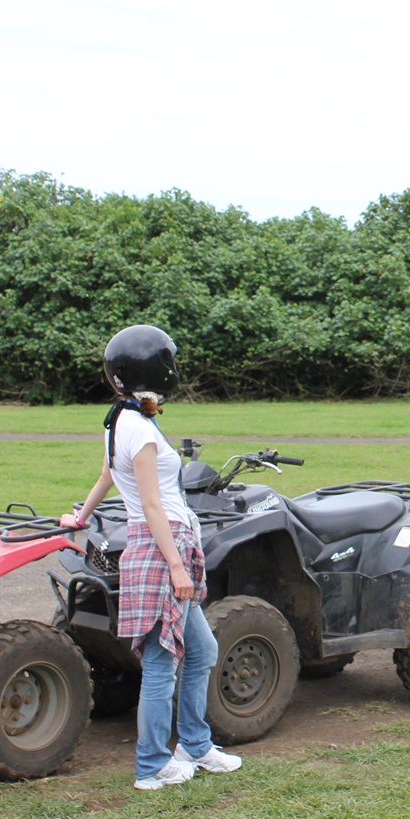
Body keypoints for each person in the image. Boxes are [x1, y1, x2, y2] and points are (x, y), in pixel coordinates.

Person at [61, 325, 243, 791]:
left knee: (202, 651)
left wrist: (80, 516)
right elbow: (151, 504)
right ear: (155, 368)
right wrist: (178, 566)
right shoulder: (138, 429)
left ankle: (196, 747)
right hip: (164, 547)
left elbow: (106, 477)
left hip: (168, 541)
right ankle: (152, 766)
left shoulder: (122, 422)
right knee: (163, 662)